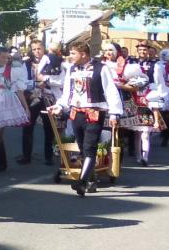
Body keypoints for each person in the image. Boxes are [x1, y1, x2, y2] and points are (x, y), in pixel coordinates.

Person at [49, 41, 122, 195]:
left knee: (89, 148)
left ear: (83, 54)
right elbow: (67, 93)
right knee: (82, 148)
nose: (70, 56)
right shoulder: (72, 69)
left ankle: (81, 182)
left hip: (94, 113)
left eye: (73, 53)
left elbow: (111, 91)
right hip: (76, 113)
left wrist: (114, 113)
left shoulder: (101, 68)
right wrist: (59, 106)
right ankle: (91, 180)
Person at [0, 45, 30, 173]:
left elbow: (18, 90)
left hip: (5, 103)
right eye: (2, 57)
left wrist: (26, 107)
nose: (5, 60)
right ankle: (2, 163)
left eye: (6, 57)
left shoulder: (12, 70)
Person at [20, 39, 63, 165]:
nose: (37, 51)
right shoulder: (27, 63)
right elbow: (23, 81)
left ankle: (48, 157)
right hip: (33, 97)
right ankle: (26, 156)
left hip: (48, 97)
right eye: (34, 49)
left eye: (39, 48)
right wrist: (35, 84)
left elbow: (60, 80)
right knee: (28, 127)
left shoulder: (53, 60)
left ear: (43, 48)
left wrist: (47, 81)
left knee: (49, 128)